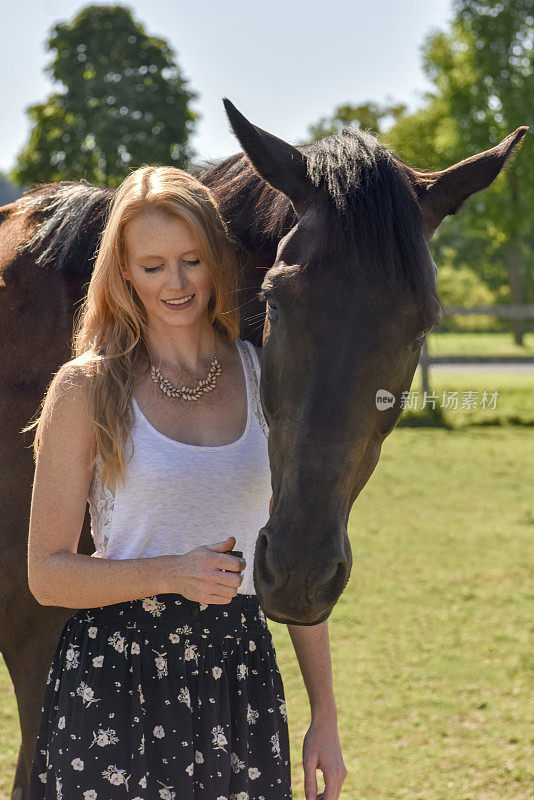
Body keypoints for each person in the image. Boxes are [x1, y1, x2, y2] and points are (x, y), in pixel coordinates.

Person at [26, 165, 346, 800]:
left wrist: (326, 718)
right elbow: (47, 574)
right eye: (152, 267)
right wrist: (170, 573)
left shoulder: (263, 378)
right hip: (115, 685)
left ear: (217, 261)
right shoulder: (86, 388)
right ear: (122, 273)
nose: (175, 283)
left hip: (240, 681)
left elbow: (294, 555)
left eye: (191, 260)